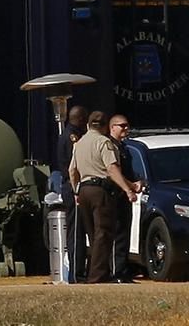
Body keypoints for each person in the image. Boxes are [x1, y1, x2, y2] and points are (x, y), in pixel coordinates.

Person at [68, 111, 138, 284]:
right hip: (100, 190)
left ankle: (96, 272)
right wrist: (127, 190)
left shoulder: (80, 143)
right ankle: (97, 277)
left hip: (83, 190)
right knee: (103, 234)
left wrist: (76, 190)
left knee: (93, 235)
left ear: (88, 125)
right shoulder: (104, 142)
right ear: (106, 126)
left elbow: (72, 171)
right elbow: (112, 169)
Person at [107, 114, 142, 283]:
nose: (126, 129)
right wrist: (130, 186)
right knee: (117, 233)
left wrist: (137, 183)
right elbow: (114, 172)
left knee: (125, 232)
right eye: (122, 126)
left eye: (127, 125)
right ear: (112, 127)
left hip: (125, 195)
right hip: (115, 194)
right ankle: (116, 272)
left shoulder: (124, 147)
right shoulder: (110, 146)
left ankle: (123, 269)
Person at [56, 106, 89, 282]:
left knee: (81, 230)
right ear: (82, 119)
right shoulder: (72, 137)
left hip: (74, 186)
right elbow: (72, 167)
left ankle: (81, 270)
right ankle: (76, 273)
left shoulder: (71, 134)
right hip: (73, 186)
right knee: (76, 231)